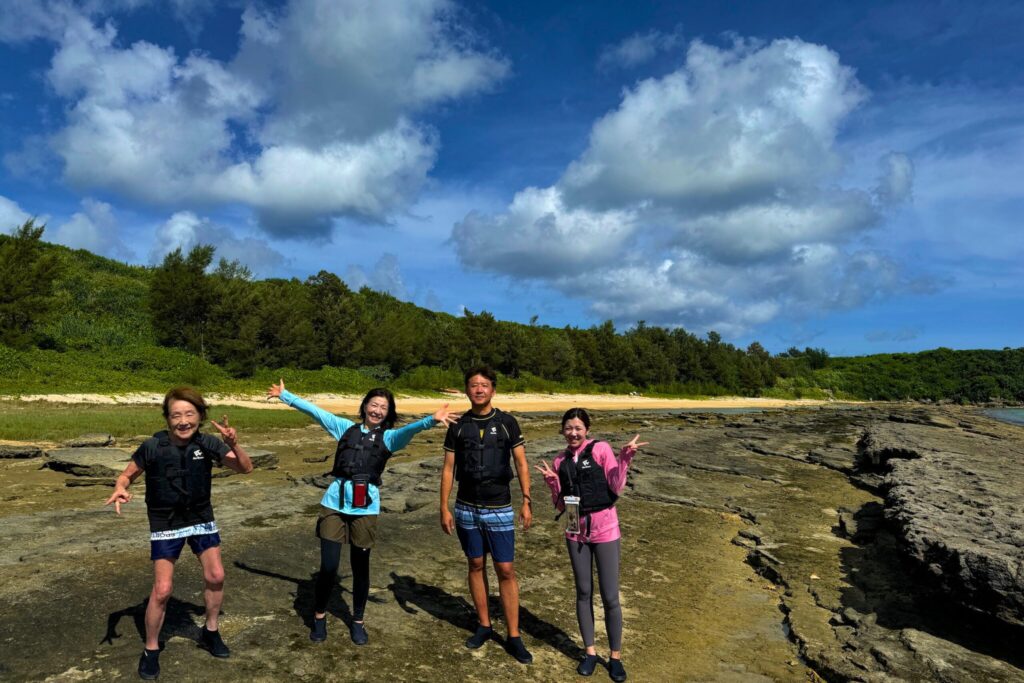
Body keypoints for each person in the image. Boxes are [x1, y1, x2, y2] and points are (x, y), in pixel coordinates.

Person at [268, 379, 454, 645]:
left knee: (360, 567)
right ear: (365, 406)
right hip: (334, 503)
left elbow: (411, 430)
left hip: (365, 507)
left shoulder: (389, 438)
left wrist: (431, 420)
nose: (377, 410)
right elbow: (316, 412)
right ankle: (319, 617)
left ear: (388, 413)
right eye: (373, 404)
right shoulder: (344, 428)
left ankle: (357, 621)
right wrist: (286, 396)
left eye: (383, 407)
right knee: (329, 567)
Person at [105, 387, 254, 681]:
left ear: (200, 416)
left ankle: (210, 632)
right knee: (162, 590)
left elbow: (245, 468)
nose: (183, 421)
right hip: (166, 522)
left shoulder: (208, 443)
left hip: (200, 517)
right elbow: (127, 475)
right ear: (167, 418)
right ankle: (151, 648)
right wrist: (121, 487)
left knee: (216, 576)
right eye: (176, 415)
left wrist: (234, 445)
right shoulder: (152, 447)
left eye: (190, 414)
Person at [535, 408, 646, 682]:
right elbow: (560, 504)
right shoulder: (560, 460)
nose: (573, 433)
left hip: (605, 529)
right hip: (575, 531)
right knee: (583, 592)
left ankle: (615, 657)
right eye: (568, 428)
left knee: (610, 596)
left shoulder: (601, 449)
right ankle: (590, 653)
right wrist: (552, 483)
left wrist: (625, 460)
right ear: (562, 430)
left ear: (587, 430)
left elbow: (616, 487)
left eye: (578, 428)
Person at [439, 365, 534, 664]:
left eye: (484, 385)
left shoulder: (507, 423)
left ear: (493, 389)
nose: (478, 390)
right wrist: (443, 506)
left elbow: (520, 464)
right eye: (473, 385)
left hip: (499, 507)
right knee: (475, 563)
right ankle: (484, 625)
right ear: (466, 390)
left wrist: (527, 500)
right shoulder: (458, 425)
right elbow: (448, 469)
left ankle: (514, 635)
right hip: (466, 506)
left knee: (505, 569)